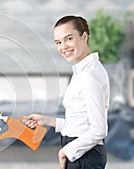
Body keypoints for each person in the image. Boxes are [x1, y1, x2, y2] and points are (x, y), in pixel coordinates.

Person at [25, 15, 110, 169]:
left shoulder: (89, 75)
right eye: (58, 42)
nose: (63, 47)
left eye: (69, 39)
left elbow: (99, 129)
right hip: (81, 153)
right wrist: (47, 121)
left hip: (84, 155)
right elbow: (81, 123)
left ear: (84, 37)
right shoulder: (83, 71)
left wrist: (65, 152)